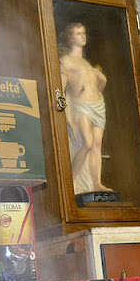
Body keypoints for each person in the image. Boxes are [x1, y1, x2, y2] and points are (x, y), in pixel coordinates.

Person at [59, 22, 112, 194]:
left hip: (98, 106)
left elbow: (98, 88)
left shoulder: (87, 64)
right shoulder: (66, 61)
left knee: (97, 144)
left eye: (83, 32)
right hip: (81, 107)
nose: (82, 36)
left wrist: (102, 79)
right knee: (87, 143)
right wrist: (64, 112)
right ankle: (71, 182)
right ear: (69, 38)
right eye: (77, 33)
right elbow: (60, 89)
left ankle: (96, 183)